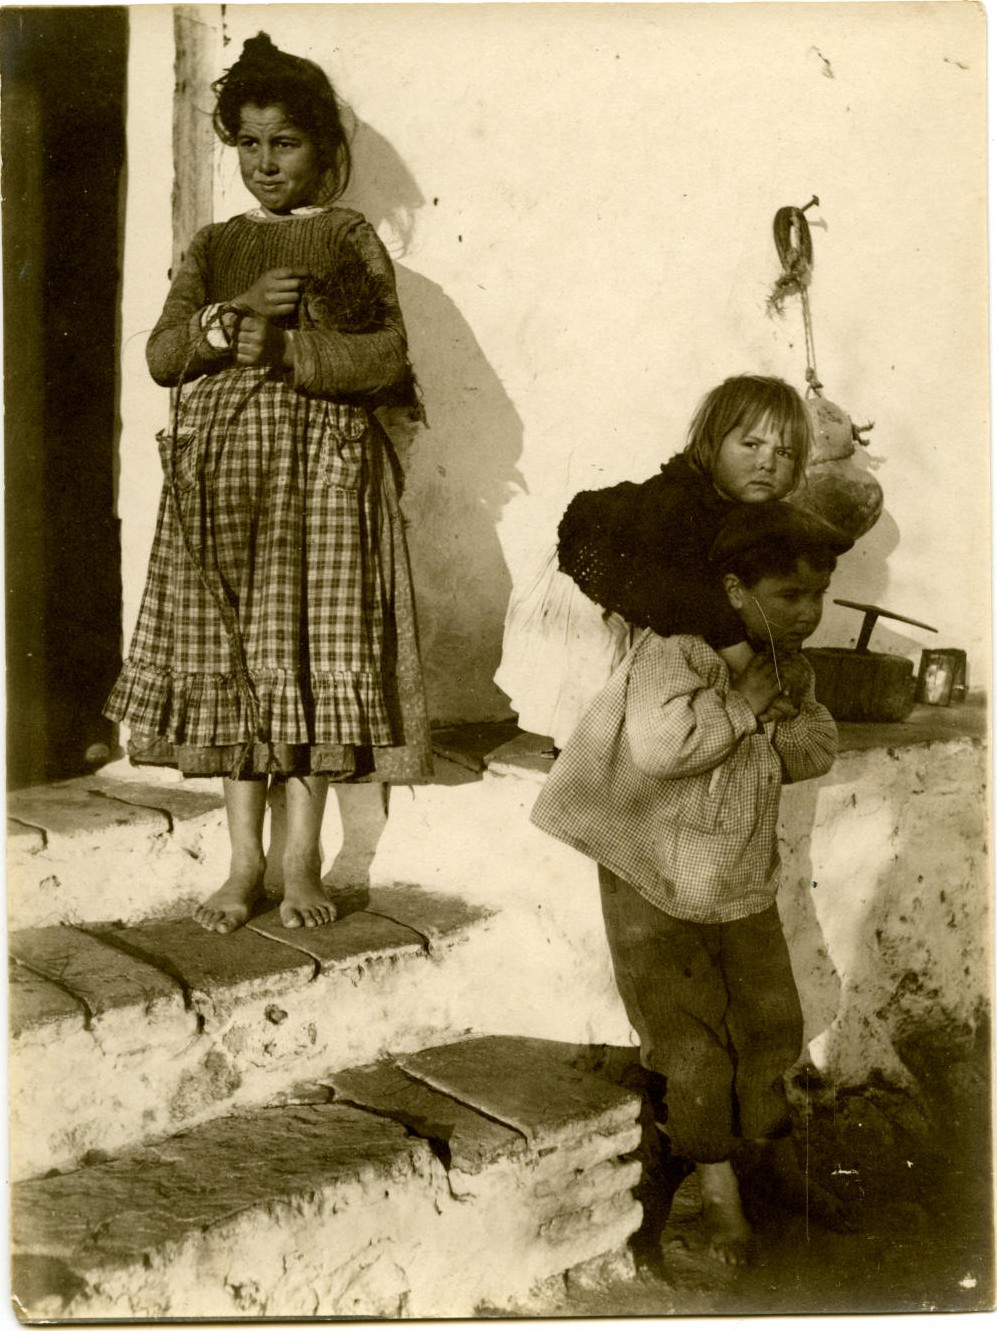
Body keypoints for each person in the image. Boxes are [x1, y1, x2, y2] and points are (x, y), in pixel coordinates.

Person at [104, 33, 432, 933]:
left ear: (323, 148)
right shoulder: (215, 246)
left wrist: (291, 348)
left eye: (283, 142)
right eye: (247, 143)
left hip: (319, 487)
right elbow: (165, 356)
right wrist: (231, 318)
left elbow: (387, 355)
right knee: (233, 666)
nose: (264, 162)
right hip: (219, 485)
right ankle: (242, 859)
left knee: (299, 659)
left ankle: (300, 860)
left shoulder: (346, 236)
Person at [530, 503, 851, 1265]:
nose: (806, 614)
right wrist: (742, 709)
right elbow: (664, 744)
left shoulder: (789, 669)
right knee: (692, 1043)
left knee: (771, 1020)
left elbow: (815, 747)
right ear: (735, 589)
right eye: (788, 597)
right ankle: (717, 1193)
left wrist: (765, 723)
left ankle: (772, 1158)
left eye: (816, 596)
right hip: (652, 878)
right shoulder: (674, 653)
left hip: (734, 877)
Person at [495, 374, 812, 749]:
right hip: (591, 576)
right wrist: (752, 670)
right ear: (712, 444)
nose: (766, 463)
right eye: (751, 444)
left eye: (784, 453)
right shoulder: (680, 501)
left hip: (655, 584)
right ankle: (587, 756)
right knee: (596, 686)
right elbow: (691, 594)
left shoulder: (750, 515)